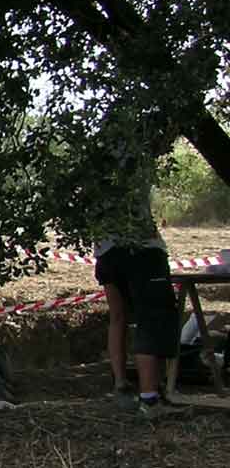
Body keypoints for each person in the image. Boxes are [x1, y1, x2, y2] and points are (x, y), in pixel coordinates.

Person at [92, 151, 182, 417]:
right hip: (141, 250)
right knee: (151, 318)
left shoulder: (92, 166)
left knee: (118, 317)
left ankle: (121, 384)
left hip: (106, 252)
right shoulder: (135, 154)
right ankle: (150, 399)